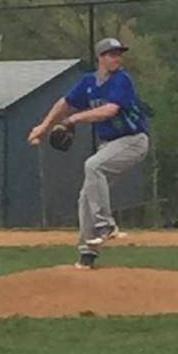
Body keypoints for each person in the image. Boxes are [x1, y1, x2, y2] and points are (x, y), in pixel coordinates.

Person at [28, 38, 149, 268]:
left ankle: (105, 225)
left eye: (118, 54)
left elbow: (109, 110)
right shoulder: (88, 82)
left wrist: (74, 119)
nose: (117, 58)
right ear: (100, 58)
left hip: (133, 141)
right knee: (86, 196)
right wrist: (43, 127)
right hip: (110, 145)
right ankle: (87, 253)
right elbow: (64, 102)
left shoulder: (122, 80)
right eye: (111, 54)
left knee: (93, 166)